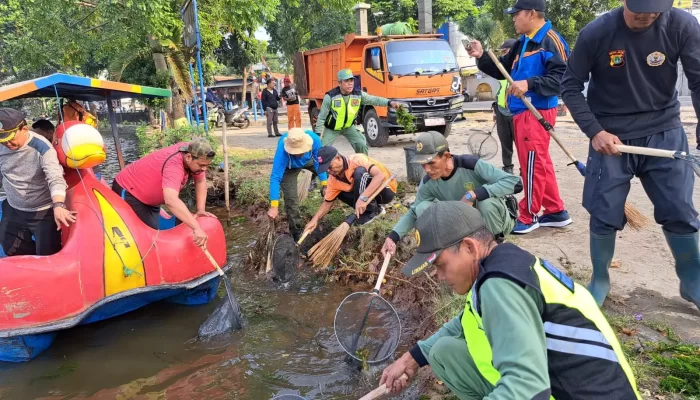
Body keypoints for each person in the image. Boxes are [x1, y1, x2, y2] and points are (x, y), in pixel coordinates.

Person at [380, 201, 641, 399]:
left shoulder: (500, 285)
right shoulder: (503, 263)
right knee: (445, 352)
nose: (438, 276)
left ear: (470, 247)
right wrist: (409, 359)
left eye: (440, 264)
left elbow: (527, 388)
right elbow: (466, 321)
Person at [561, 0, 700, 309]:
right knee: (604, 210)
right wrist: (595, 131)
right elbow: (570, 86)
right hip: (611, 136)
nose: (647, 15)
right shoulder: (597, 33)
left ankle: (692, 281)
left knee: (679, 209)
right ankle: (599, 279)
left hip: (664, 130)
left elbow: (698, 78)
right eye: (640, 8)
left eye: (655, 9)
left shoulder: (682, 26)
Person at [467, 0, 572, 234]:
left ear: (532, 13)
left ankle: (528, 214)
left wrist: (530, 83)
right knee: (540, 162)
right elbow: (501, 70)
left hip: (537, 110)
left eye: (516, 15)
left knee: (531, 164)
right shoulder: (522, 43)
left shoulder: (550, 41)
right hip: (521, 111)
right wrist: (482, 55)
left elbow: (565, 78)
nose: (513, 19)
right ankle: (555, 210)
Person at [381, 131, 520, 257]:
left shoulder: (470, 165)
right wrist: (392, 237)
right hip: (466, 225)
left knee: (486, 203)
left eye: (431, 163)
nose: (427, 169)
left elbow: (515, 183)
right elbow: (413, 212)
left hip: (495, 221)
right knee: (422, 207)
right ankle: (444, 252)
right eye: (423, 164)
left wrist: (474, 194)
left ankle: (494, 249)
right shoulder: (429, 182)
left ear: (446, 156)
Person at [112, 138, 216, 248]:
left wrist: (200, 210)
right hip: (130, 191)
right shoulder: (174, 167)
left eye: (207, 165)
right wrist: (196, 228)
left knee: (167, 228)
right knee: (149, 240)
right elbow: (171, 200)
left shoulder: (194, 153)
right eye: (201, 165)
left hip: (150, 198)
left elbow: (200, 180)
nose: (204, 169)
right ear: (189, 157)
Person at [0, 108, 77, 256]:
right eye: (2, 140)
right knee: (11, 249)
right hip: (13, 207)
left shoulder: (42, 148)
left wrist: (59, 205)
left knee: (47, 254)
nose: (7, 144)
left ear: (24, 129)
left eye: (10, 138)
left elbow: (55, 177)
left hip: (42, 210)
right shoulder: (2, 145)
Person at [304, 146, 397, 233]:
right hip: (369, 195)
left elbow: (380, 176)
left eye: (329, 166)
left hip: (385, 190)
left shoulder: (357, 160)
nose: (328, 171)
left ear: (338, 158)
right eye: (325, 169)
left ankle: (371, 211)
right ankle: (375, 210)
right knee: (336, 191)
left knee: (359, 172)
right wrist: (314, 220)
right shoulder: (333, 179)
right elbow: (327, 202)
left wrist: (362, 198)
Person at [314, 69, 401, 155]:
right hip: (332, 128)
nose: (350, 83)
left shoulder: (358, 95)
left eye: (351, 80)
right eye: (346, 81)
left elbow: (374, 100)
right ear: (339, 83)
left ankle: (363, 165)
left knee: (361, 144)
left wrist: (390, 103)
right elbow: (322, 117)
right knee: (322, 150)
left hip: (348, 127)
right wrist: (318, 135)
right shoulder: (330, 96)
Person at [268, 128, 328, 241]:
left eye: (300, 150)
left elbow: (318, 163)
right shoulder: (282, 149)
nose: (298, 153)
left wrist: (325, 184)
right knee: (291, 200)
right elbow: (275, 178)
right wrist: (274, 207)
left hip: (308, 161)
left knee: (330, 171)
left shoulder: (314, 140)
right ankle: (297, 233)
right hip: (289, 168)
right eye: (295, 151)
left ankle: (330, 196)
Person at [493, 39, 517, 174]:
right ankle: (508, 170)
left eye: (505, 51)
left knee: (521, 144)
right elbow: (500, 90)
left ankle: (525, 169)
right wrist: (495, 111)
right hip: (502, 112)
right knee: (505, 144)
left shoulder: (519, 69)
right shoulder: (502, 70)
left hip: (516, 113)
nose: (503, 54)